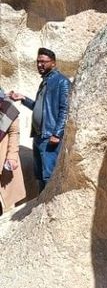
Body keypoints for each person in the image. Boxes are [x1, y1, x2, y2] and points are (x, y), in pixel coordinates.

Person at [9, 48, 71, 191]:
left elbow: (65, 109)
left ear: (53, 63)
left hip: (50, 137)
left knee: (49, 175)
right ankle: (40, 206)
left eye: (43, 62)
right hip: (39, 136)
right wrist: (23, 98)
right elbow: (41, 108)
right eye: (38, 62)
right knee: (40, 175)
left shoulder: (62, 82)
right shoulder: (45, 82)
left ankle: (48, 207)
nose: (39, 65)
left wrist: (57, 133)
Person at [0, 88, 26, 214]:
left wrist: (12, 156)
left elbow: (14, 133)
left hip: (3, 154)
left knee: (5, 196)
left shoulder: (8, 109)